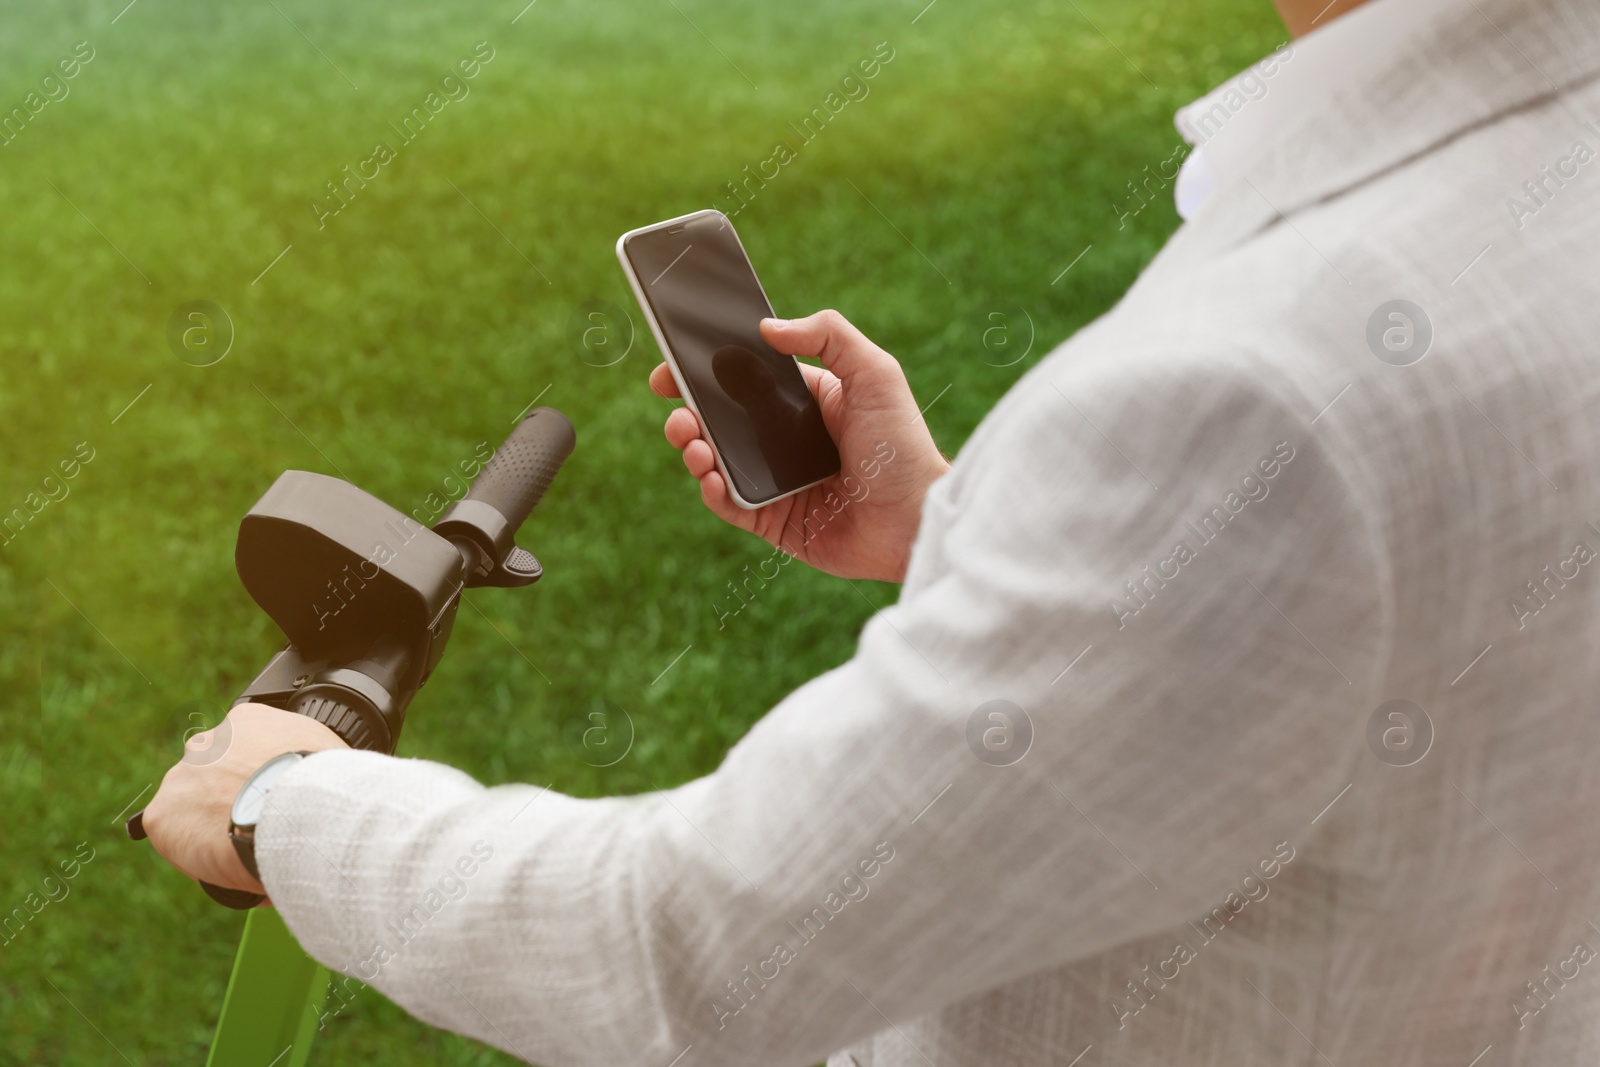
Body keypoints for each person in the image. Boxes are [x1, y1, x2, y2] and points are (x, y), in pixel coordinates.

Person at [143, 0, 1600, 1061]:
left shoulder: (1249, 386)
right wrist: (968, 530)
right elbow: (1361, 622)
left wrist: (292, 808)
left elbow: (711, 959)